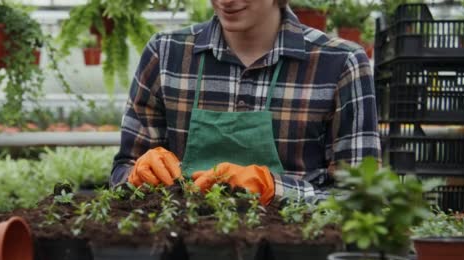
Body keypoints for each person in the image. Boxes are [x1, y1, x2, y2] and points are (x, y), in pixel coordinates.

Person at [110, 0, 380, 208]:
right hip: (183, 254)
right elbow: (122, 172)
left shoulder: (339, 63)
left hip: (294, 259)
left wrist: (275, 189)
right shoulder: (166, 54)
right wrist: (137, 173)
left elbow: (363, 199)